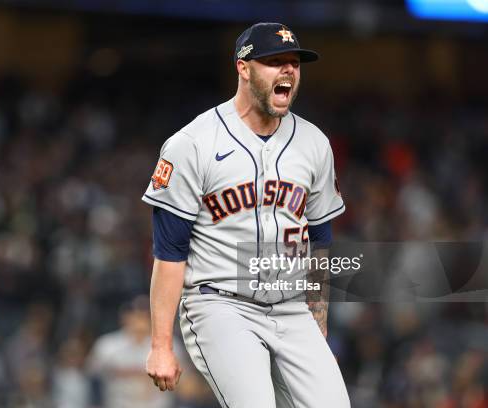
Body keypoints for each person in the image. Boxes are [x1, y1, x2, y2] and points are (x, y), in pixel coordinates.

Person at [142, 22, 350, 407]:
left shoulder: (314, 143)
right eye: (274, 61)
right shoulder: (193, 143)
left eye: (294, 63)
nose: (288, 70)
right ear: (243, 67)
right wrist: (160, 346)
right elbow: (170, 253)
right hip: (220, 304)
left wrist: (318, 325)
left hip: (290, 306)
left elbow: (320, 242)